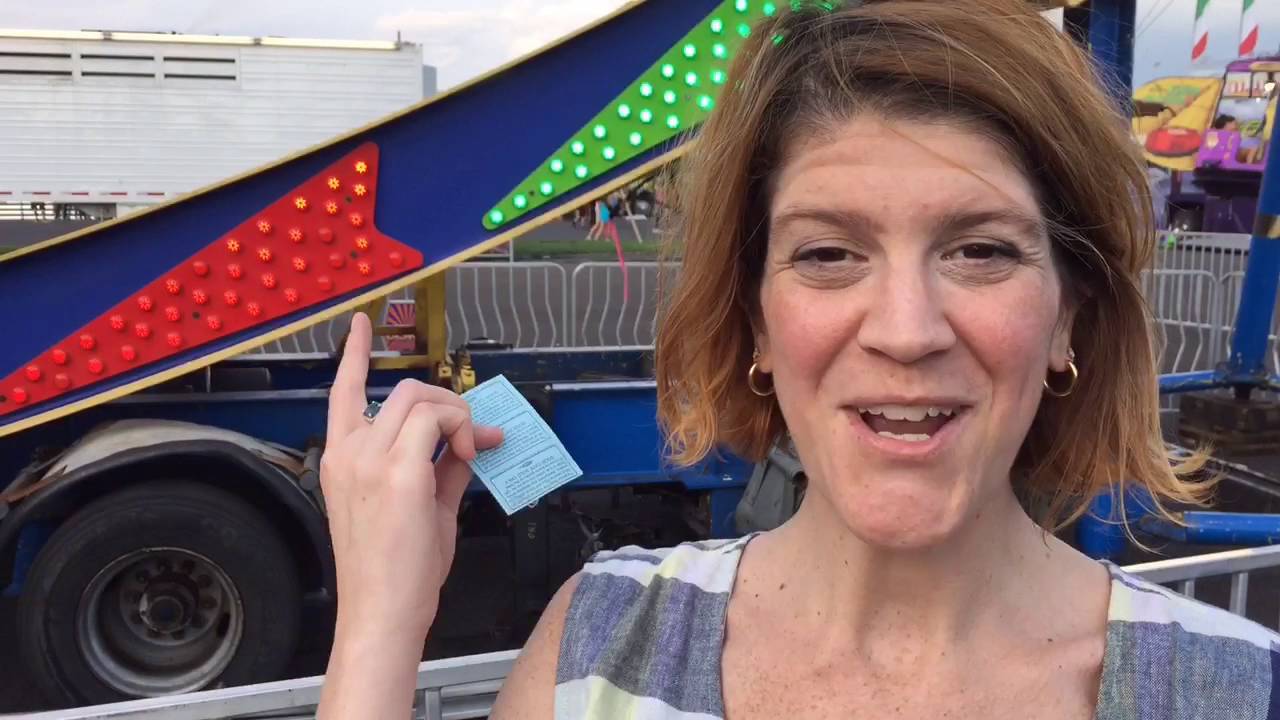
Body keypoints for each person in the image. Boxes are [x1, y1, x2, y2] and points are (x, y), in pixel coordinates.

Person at [316, 1, 1280, 718]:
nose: (906, 330)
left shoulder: (1237, 690)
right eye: (828, 254)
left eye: (981, 250)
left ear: (1070, 316)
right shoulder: (602, 648)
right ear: (759, 323)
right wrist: (377, 635)